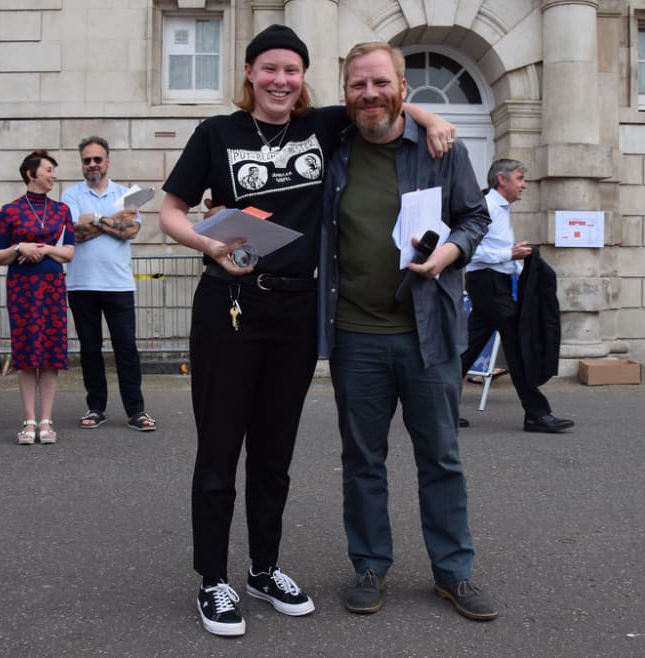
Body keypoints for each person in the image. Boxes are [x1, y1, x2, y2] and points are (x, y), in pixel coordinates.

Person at [159, 25, 457, 637]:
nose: (280, 81)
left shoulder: (322, 126)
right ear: (249, 73)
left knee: (275, 451)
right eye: (269, 69)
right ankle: (212, 578)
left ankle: (263, 569)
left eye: (292, 71)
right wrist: (209, 243)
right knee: (220, 448)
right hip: (231, 306)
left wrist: (429, 118)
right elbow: (169, 210)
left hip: (295, 315)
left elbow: (377, 103)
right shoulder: (217, 134)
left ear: (303, 78)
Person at [317, 42, 496, 621]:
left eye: (380, 83)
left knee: (440, 457)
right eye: (357, 85)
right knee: (362, 458)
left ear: (401, 87)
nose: (369, 94)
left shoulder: (441, 150)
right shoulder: (333, 149)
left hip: (430, 333)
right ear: (345, 93)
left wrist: (448, 253)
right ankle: (370, 564)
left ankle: (454, 572)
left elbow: (475, 216)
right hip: (355, 336)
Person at [459, 159, 573, 433]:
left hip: (491, 282)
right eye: (520, 178)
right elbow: (466, 250)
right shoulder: (486, 207)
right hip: (488, 284)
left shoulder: (498, 208)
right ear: (502, 179)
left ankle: (438, 409)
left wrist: (515, 263)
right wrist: (508, 254)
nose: (524, 185)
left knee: (466, 348)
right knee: (518, 344)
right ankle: (536, 413)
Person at [62, 136, 155, 432]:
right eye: (87, 160)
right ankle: (96, 407)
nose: (92, 164)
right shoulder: (70, 194)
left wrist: (97, 219)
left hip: (118, 285)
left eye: (97, 159)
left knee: (126, 348)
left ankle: (136, 410)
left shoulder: (126, 194)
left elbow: (130, 231)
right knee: (90, 349)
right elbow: (73, 233)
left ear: (107, 161)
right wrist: (111, 221)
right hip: (81, 284)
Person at [0, 150, 75, 445]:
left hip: (52, 284)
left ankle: (46, 420)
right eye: (48, 170)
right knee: (26, 352)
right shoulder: (10, 210)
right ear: (31, 174)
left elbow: (69, 251)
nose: (54, 175)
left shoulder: (62, 210)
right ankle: (28, 420)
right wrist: (19, 248)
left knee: (50, 353)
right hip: (22, 287)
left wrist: (44, 249)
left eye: (53, 170)